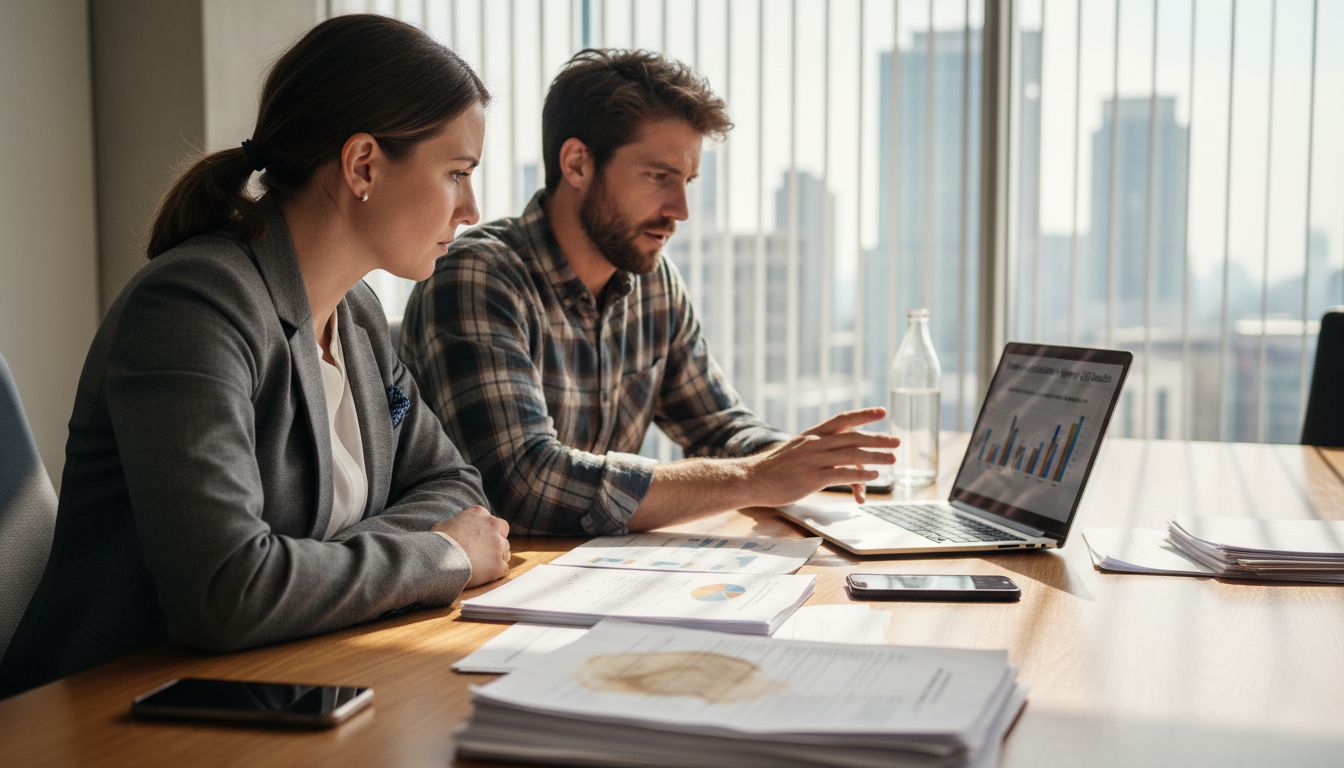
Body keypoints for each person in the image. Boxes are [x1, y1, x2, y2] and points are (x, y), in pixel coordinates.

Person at [0, 15, 509, 695]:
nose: (471, 207)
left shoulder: (354, 316)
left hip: (284, 673)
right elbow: (227, 590)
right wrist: (440, 553)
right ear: (362, 165)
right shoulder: (193, 305)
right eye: (456, 173)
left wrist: (303, 571)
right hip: (122, 703)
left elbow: (455, 486)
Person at [400, 49, 900, 537]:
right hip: (480, 600)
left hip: (595, 577)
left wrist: (807, 459)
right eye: (659, 176)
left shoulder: (654, 284)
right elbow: (524, 483)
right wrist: (754, 478)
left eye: (686, 181)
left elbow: (719, 428)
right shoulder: (479, 276)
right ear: (576, 164)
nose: (680, 209)